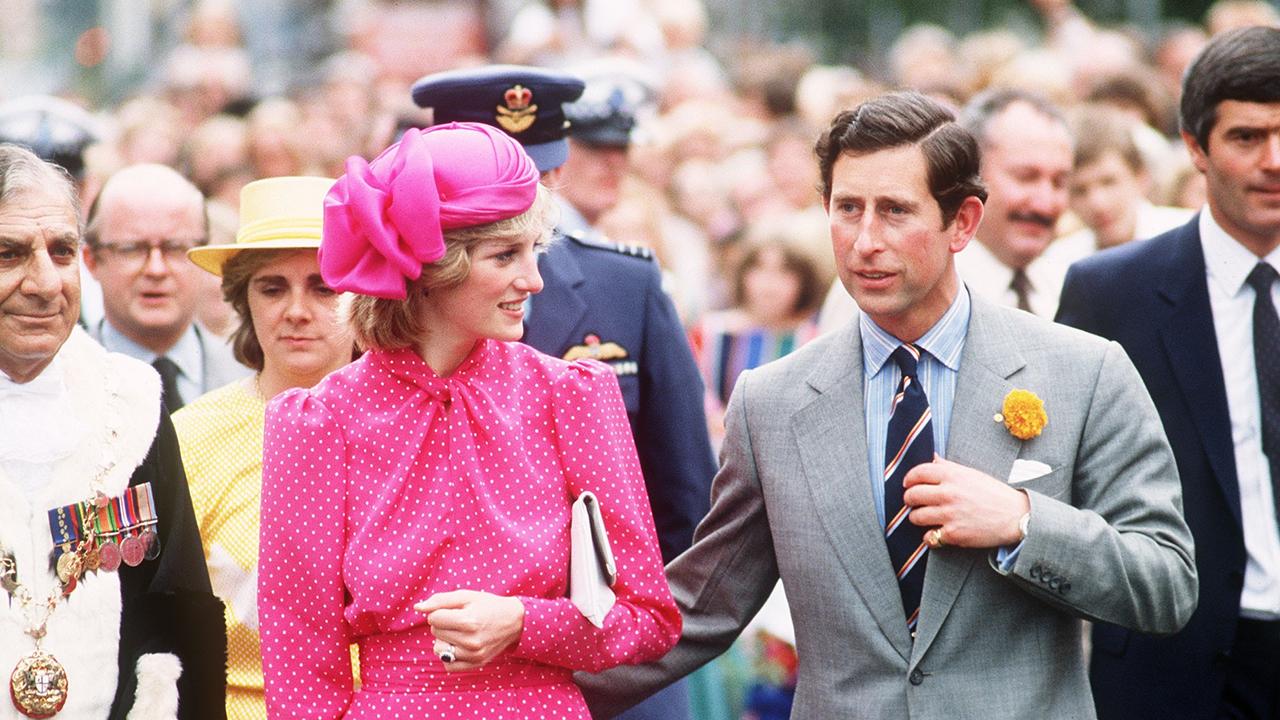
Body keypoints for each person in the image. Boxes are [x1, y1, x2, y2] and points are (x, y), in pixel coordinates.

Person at [578, 91, 1197, 718]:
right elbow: (700, 608)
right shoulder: (772, 401)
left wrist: (1023, 522)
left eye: (895, 211)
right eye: (848, 209)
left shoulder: (1084, 371)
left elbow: (1166, 582)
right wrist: (520, 686)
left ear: (963, 222)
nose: (865, 240)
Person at [256, 122, 680, 718]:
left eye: (535, 251)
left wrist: (525, 623)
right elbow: (302, 665)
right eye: (505, 255)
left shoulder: (572, 396)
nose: (534, 280)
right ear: (431, 268)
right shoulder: (319, 421)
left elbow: (649, 619)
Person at [411, 65, 714, 720]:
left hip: (616, 656)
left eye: (537, 177)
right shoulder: (395, 319)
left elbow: (685, 492)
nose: (525, 196)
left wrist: (638, 644)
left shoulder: (623, 285)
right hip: (443, 663)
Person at [1057, 26, 1280, 719]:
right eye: (1247, 137)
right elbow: (1062, 478)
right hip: (1172, 665)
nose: (1275, 161)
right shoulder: (1111, 292)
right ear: (1194, 148)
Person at [0, 143, 225, 719]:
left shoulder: (130, 405)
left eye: (62, 251)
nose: (45, 283)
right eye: (9, 254)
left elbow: (179, 619)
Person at [172, 176, 355, 720]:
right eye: (272, 288)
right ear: (242, 300)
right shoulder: (191, 435)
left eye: (323, 287)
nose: (296, 310)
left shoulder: (409, 426)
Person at [817, 89, 1073, 332]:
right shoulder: (877, 281)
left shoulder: (1065, 283)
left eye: (1059, 182)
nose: (1044, 202)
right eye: (1025, 177)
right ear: (974, 175)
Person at [83, 164, 249, 412]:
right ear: (92, 260)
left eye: (175, 248)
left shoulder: (251, 378)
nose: (156, 269)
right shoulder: (59, 381)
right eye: (132, 249)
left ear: (202, 257)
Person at [1041, 106, 1191, 270]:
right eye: (1079, 190)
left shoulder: (1188, 237)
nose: (1098, 203)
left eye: (1108, 182)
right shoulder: (1057, 263)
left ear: (1141, 176)